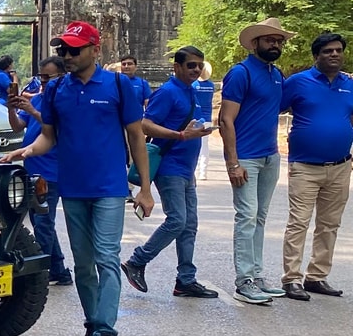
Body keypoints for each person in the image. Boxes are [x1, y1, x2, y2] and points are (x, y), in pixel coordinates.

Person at [0, 21, 151, 336]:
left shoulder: (118, 85)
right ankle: (92, 326)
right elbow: (47, 137)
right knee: (83, 264)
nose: (67, 55)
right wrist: (22, 152)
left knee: (107, 258)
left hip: (110, 187)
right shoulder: (56, 91)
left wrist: (145, 186)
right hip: (73, 188)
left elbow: (136, 136)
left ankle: (106, 332)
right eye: (63, 50)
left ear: (95, 50)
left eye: (74, 49)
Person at [120, 46, 219, 299]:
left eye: (199, 65)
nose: (196, 69)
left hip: (186, 168)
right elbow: (144, 124)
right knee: (177, 220)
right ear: (177, 67)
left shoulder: (190, 91)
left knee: (189, 225)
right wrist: (179, 135)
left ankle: (186, 280)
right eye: (191, 66)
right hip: (170, 166)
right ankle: (137, 261)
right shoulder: (168, 91)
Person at [219, 17, 293, 304]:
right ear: (255, 43)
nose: (275, 44)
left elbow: (286, 103)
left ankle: (258, 276)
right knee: (246, 217)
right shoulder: (241, 73)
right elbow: (225, 119)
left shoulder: (276, 74)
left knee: (260, 217)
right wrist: (232, 163)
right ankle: (244, 281)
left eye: (279, 41)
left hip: (269, 155)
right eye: (270, 39)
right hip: (246, 158)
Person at [278, 32, 352, 301]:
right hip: (305, 167)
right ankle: (292, 279)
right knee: (298, 222)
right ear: (316, 56)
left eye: (338, 50)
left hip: (341, 166)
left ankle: (317, 277)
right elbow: (273, 109)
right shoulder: (298, 82)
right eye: (328, 51)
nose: (334, 54)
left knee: (329, 224)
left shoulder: (349, 84)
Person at [7, 56, 73, 286]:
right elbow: (17, 125)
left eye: (48, 77)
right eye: (41, 77)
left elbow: (56, 129)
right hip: (32, 170)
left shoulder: (63, 101)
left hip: (51, 172)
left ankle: (44, 271)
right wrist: (11, 108)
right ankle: (58, 269)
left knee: (44, 222)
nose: (43, 82)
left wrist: (33, 111)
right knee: (39, 221)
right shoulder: (38, 99)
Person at [193, 61, 216, 180]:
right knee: (204, 146)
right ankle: (203, 172)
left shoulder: (194, 85)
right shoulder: (211, 86)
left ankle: (194, 169)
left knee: (194, 145)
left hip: (196, 118)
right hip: (207, 117)